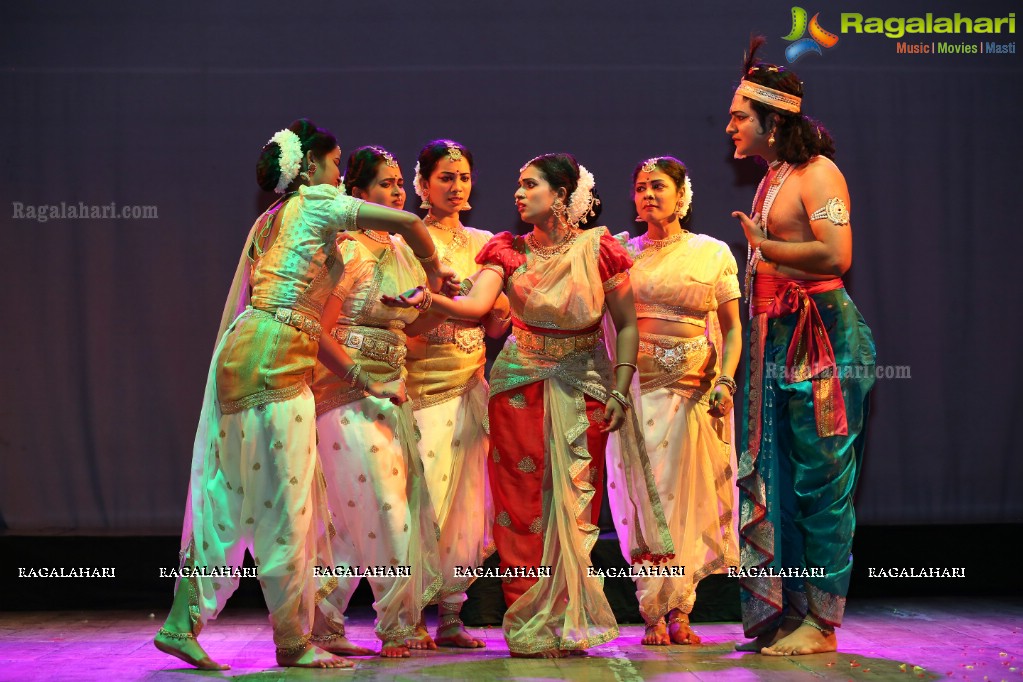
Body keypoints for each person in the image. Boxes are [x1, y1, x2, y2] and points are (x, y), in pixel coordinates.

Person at [154, 122, 453, 670]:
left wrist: (368, 380)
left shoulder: (267, 221)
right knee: (286, 503)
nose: (339, 176)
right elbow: (410, 221)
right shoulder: (316, 203)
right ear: (311, 168)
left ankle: (181, 621)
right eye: (336, 164)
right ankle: (293, 641)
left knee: (230, 490)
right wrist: (437, 270)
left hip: (244, 350)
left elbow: (304, 318)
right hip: (278, 362)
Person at [382, 153, 673, 658]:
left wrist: (623, 389)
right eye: (518, 185)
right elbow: (475, 308)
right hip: (517, 388)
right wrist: (427, 301)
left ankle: (566, 617)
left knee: (577, 506)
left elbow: (626, 325)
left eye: (530, 185)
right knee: (521, 510)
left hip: (585, 387)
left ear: (560, 196)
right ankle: (528, 623)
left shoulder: (599, 249)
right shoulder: (508, 251)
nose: (518, 193)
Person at [725, 39, 876, 656]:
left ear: (773, 119)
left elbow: (837, 257)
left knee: (821, 480)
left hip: (821, 338)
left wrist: (769, 246)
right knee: (779, 479)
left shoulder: (818, 175)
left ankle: (822, 622)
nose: (730, 125)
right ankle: (786, 614)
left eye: (739, 115)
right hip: (777, 339)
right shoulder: (774, 178)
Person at [311, 145, 446, 658]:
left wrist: (430, 300)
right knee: (383, 509)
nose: (396, 192)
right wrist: (363, 377)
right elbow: (319, 330)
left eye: (398, 184)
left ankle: (325, 625)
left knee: (355, 515)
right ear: (359, 193)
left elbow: (419, 331)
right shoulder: (346, 249)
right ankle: (396, 623)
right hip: (344, 393)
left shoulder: (402, 251)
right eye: (385, 185)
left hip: (393, 390)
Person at [608, 156, 741, 647]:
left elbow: (731, 329)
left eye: (659, 186)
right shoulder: (621, 253)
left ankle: (681, 611)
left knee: (685, 503)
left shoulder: (712, 253)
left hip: (693, 396)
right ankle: (652, 611)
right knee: (645, 501)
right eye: (640, 187)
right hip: (636, 394)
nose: (648, 195)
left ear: (683, 194)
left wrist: (724, 382)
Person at [403, 139, 506, 648]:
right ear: (423, 184)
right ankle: (406, 615)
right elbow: (402, 320)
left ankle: (449, 616)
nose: (457, 186)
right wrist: (451, 303)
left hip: (470, 385)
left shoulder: (486, 242)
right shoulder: (405, 240)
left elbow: (493, 324)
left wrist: (499, 313)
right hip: (422, 386)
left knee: (466, 505)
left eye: (463, 176)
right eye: (445, 176)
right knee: (423, 500)